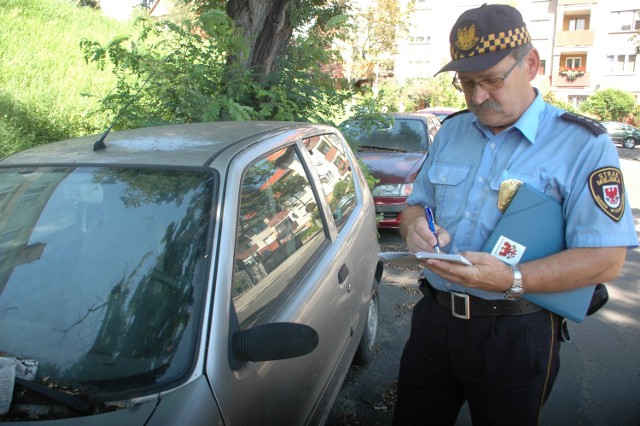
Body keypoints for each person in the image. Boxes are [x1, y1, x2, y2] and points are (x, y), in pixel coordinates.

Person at [392, 4, 639, 425]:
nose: (477, 97)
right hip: (434, 322)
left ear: (532, 64)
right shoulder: (452, 130)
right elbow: (417, 205)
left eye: (491, 80)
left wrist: (511, 279)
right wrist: (415, 226)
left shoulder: (583, 143)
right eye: (466, 84)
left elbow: (607, 258)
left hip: (515, 332)